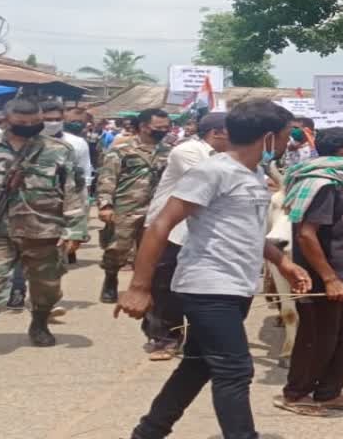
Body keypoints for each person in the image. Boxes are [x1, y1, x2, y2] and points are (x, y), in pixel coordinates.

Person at [115, 98, 311, 439]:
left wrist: (283, 262)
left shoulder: (255, 174)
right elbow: (161, 225)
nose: (287, 142)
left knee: (199, 364)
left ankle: (148, 432)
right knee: (235, 370)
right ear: (267, 138)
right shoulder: (213, 171)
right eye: (284, 135)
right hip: (207, 287)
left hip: (237, 286)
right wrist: (139, 287)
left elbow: (250, 232)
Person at [0, 98, 86, 363]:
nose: (30, 127)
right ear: (6, 120)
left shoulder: (59, 150)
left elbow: (73, 190)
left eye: (36, 123)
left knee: (46, 285)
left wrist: (74, 230)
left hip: (43, 229)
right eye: (22, 124)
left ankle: (39, 322)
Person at [275, 127, 343, 416]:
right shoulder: (323, 185)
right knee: (317, 338)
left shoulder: (337, 181)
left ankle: (329, 393)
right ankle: (295, 395)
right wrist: (330, 279)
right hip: (325, 278)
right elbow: (307, 235)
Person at [140, 113, 230, 361]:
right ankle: (163, 337)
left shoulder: (231, 157)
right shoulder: (187, 151)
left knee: (197, 286)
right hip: (171, 229)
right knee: (164, 287)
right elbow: (212, 183)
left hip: (204, 231)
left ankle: (196, 337)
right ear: (217, 133)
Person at [97, 109, 172, 304]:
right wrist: (106, 204)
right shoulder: (121, 149)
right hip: (126, 206)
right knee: (117, 248)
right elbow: (107, 177)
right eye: (158, 127)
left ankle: (144, 286)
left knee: (152, 250)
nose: (163, 130)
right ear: (144, 126)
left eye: (166, 127)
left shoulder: (169, 151)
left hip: (157, 208)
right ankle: (110, 279)